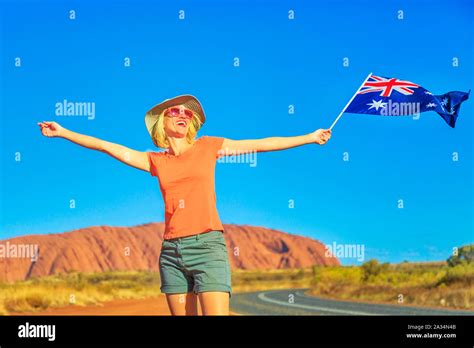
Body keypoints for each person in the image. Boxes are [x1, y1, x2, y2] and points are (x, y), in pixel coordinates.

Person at [38, 94, 332, 315]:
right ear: (162, 123)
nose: (183, 114)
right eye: (174, 111)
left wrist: (309, 137)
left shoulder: (208, 147)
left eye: (187, 112)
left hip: (208, 247)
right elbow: (107, 146)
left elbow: (260, 143)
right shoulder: (155, 160)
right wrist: (63, 132)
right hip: (171, 253)